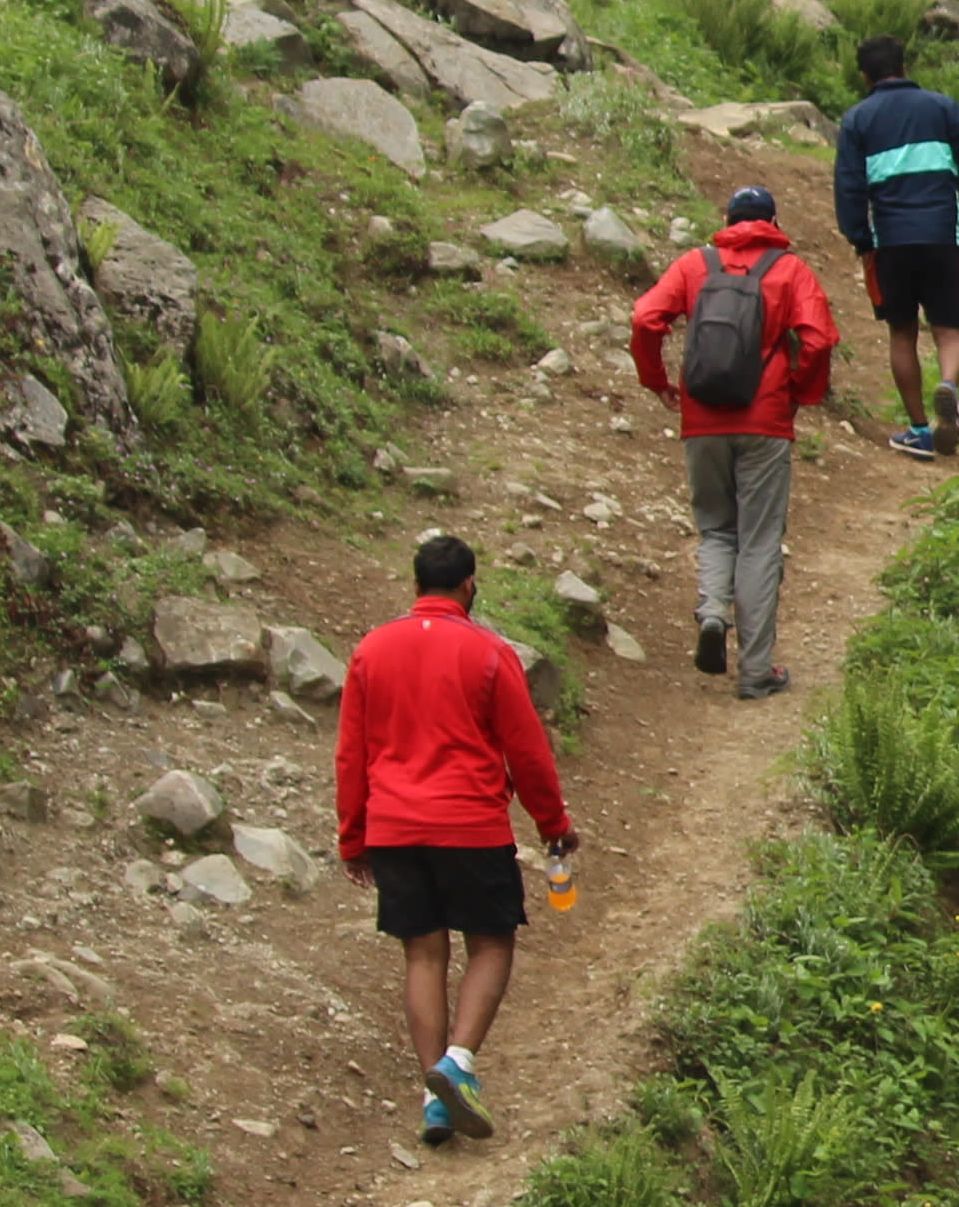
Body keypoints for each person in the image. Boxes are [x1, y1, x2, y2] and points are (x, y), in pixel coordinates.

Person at [333, 533, 573, 1146]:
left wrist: (353, 837)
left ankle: (434, 1101)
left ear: (415, 586)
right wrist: (555, 827)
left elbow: (351, 754)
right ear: (469, 586)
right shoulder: (489, 652)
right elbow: (528, 753)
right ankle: (458, 1063)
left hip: (394, 827)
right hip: (469, 825)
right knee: (491, 944)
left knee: (423, 954)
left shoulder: (371, 650)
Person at [628, 184, 838, 702]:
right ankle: (755, 671)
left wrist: (656, 382)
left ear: (727, 218)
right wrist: (799, 395)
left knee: (717, 530)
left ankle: (711, 613)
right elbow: (817, 339)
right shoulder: (790, 271)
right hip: (764, 420)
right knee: (760, 540)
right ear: (771, 221)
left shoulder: (693, 265)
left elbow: (644, 319)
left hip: (701, 418)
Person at [832, 35, 959, 461]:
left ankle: (920, 430)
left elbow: (849, 187)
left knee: (902, 332)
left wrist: (861, 239)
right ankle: (948, 386)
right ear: (904, 68)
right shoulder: (943, 108)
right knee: (949, 331)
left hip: (891, 242)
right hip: (942, 237)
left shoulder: (857, 120)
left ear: (865, 76)